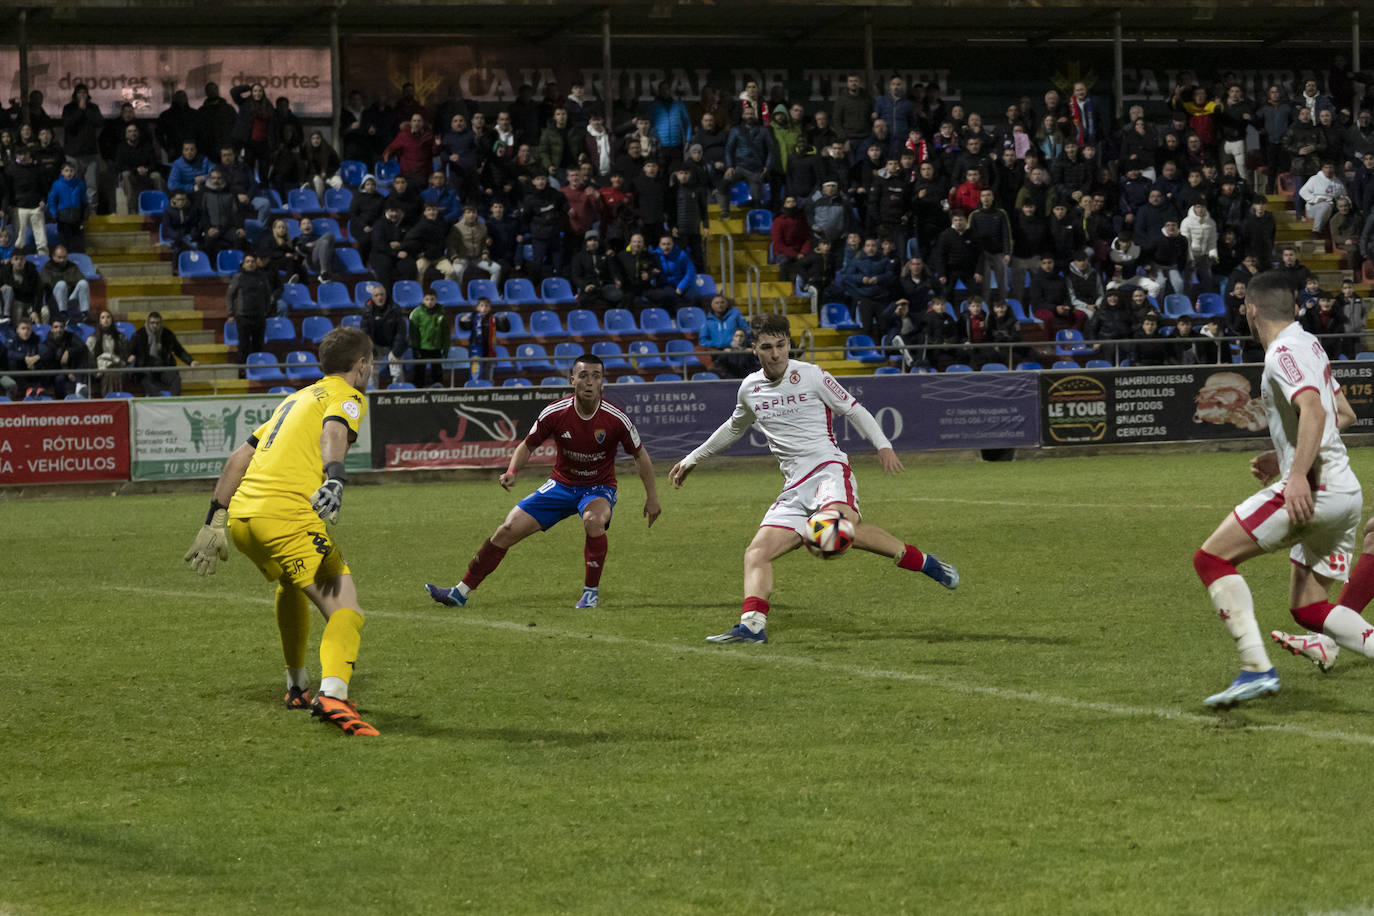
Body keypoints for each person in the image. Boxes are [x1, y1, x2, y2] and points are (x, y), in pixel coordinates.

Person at [668, 312, 958, 644]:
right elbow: (735, 426)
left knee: (834, 528)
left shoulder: (812, 376)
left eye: (781, 345)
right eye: (767, 347)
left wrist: (883, 445)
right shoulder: (749, 388)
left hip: (828, 472)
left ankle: (926, 563)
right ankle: (752, 626)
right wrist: (693, 459)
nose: (776, 354)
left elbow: (854, 409)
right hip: (794, 488)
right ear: (754, 350)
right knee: (756, 553)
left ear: (789, 344)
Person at [184, 326, 379, 736]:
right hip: (285, 518)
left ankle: (297, 686)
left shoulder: (296, 398)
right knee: (346, 610)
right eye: (371, 363)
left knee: (291, 585)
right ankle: (334, 696)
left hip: (243, 520)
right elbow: (334, 430)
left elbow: (241, 456)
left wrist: (214, 518)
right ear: (360, 366)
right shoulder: (348, 396)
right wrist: (336, 477)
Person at [1191, 271, 1364, 708]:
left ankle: (1255, 669)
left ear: (1250, 308)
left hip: (1317, 489)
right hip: (1345, 492)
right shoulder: (1308, 343)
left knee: (1211, 559)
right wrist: (1282, 455)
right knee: (1308, 608)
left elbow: (1314, 410)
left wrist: (1298, 472)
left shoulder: (1282, 351)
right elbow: (1342, 412)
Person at [426, 353, 661, 610]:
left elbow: (640, 454)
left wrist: (652, 497)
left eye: (596, 376)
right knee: (506, 530)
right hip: (560, 486)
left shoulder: (616, 418)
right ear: (572, 379)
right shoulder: (555, 412)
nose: (590, 382)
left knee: (593, 521)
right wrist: (513, 471)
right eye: (583, 376)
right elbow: (528, 445)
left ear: (603, 381)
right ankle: (459, 593)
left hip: (598, 488)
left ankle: (590, 594)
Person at [131, 311, 197, 396]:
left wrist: (190, 361)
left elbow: (179, 350)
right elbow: (129, 351)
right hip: (146, 370)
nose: (155, 326)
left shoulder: (167, 334)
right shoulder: (139, 335)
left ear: (161, 323)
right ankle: (160, 403)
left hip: (163, 367)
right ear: (147, 323)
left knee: (175, 379)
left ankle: (174, 402)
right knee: (148, 382)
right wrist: (130, 356)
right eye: (152, 323)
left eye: (157, 323)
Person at [85, 308, 134, 396]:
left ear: (111, 320)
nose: (106, 320)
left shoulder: (120, 337)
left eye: (108, 317)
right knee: (109, 374)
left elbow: (125, 354)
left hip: (118, 366)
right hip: (101, 368)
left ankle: (115, 399)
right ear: (99, 321)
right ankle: (110, 399)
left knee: (114, 373)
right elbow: (90, 358)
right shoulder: (92, 339)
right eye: (103, 317)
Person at [408, 291, 449, 388]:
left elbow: (446, 333)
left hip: (436, 347)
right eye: (427, 299)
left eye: (432, 299)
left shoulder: (442, 312)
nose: (429, 302)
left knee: (437, 371)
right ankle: (418, 391)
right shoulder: (416, 313)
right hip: (422, 347)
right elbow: (413, 333)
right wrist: (415, 348)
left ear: (436, 300)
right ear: (423, 300)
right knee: (419, 371)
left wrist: (446, 349)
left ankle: (439, 390)